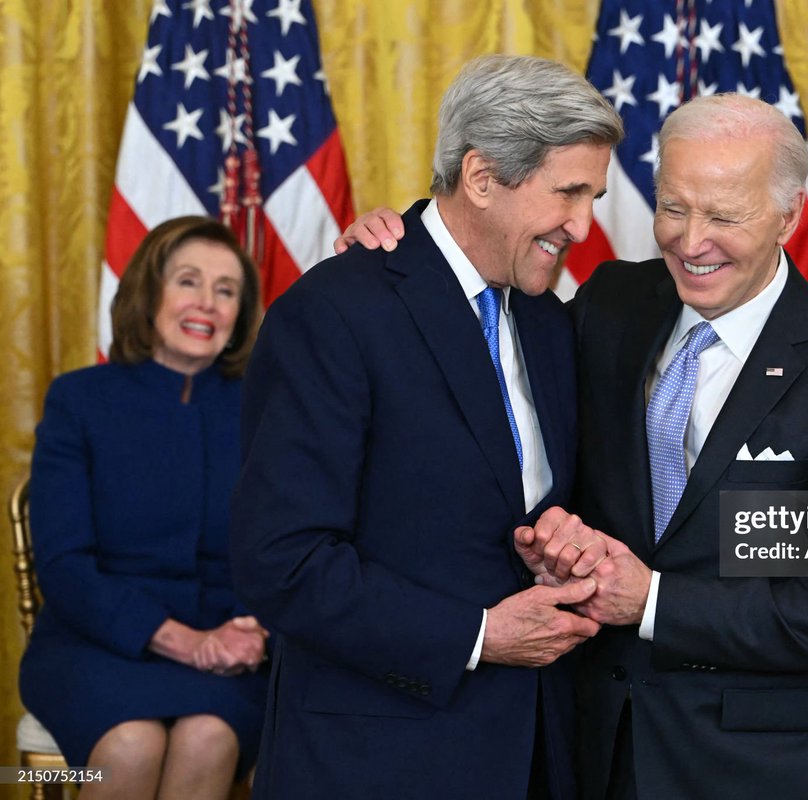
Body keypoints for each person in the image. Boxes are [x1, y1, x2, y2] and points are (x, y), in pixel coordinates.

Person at [341, 92, 808, 799]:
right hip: (601, 748)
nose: (690, 239)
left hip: (770, 768)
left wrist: (650, 600)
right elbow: (483, 313)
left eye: (725, 216)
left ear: (788, 218)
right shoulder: (611, 303)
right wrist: (400, 245)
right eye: (673, 207)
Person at [230, 55, 623, 799]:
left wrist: (562, 546)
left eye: (593, 196)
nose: (583, 225)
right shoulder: (335, 312)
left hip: (539, 747)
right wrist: (478, 635)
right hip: (378, 757)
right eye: (569, 193)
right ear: (481, 178)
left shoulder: (545, 313)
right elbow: (280, 561)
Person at [18, 216, 268, 800]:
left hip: (233, 648)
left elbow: (286, 543)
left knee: (208, 736)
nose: (206, 303)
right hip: (98, 643)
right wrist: (184, 641)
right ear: (148, 293)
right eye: (188, 281)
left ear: (238, 315)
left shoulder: (265, 409)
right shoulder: (79, 401)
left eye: (226, 290)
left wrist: (254, 630)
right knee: (131, 744)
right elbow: (64, 566)